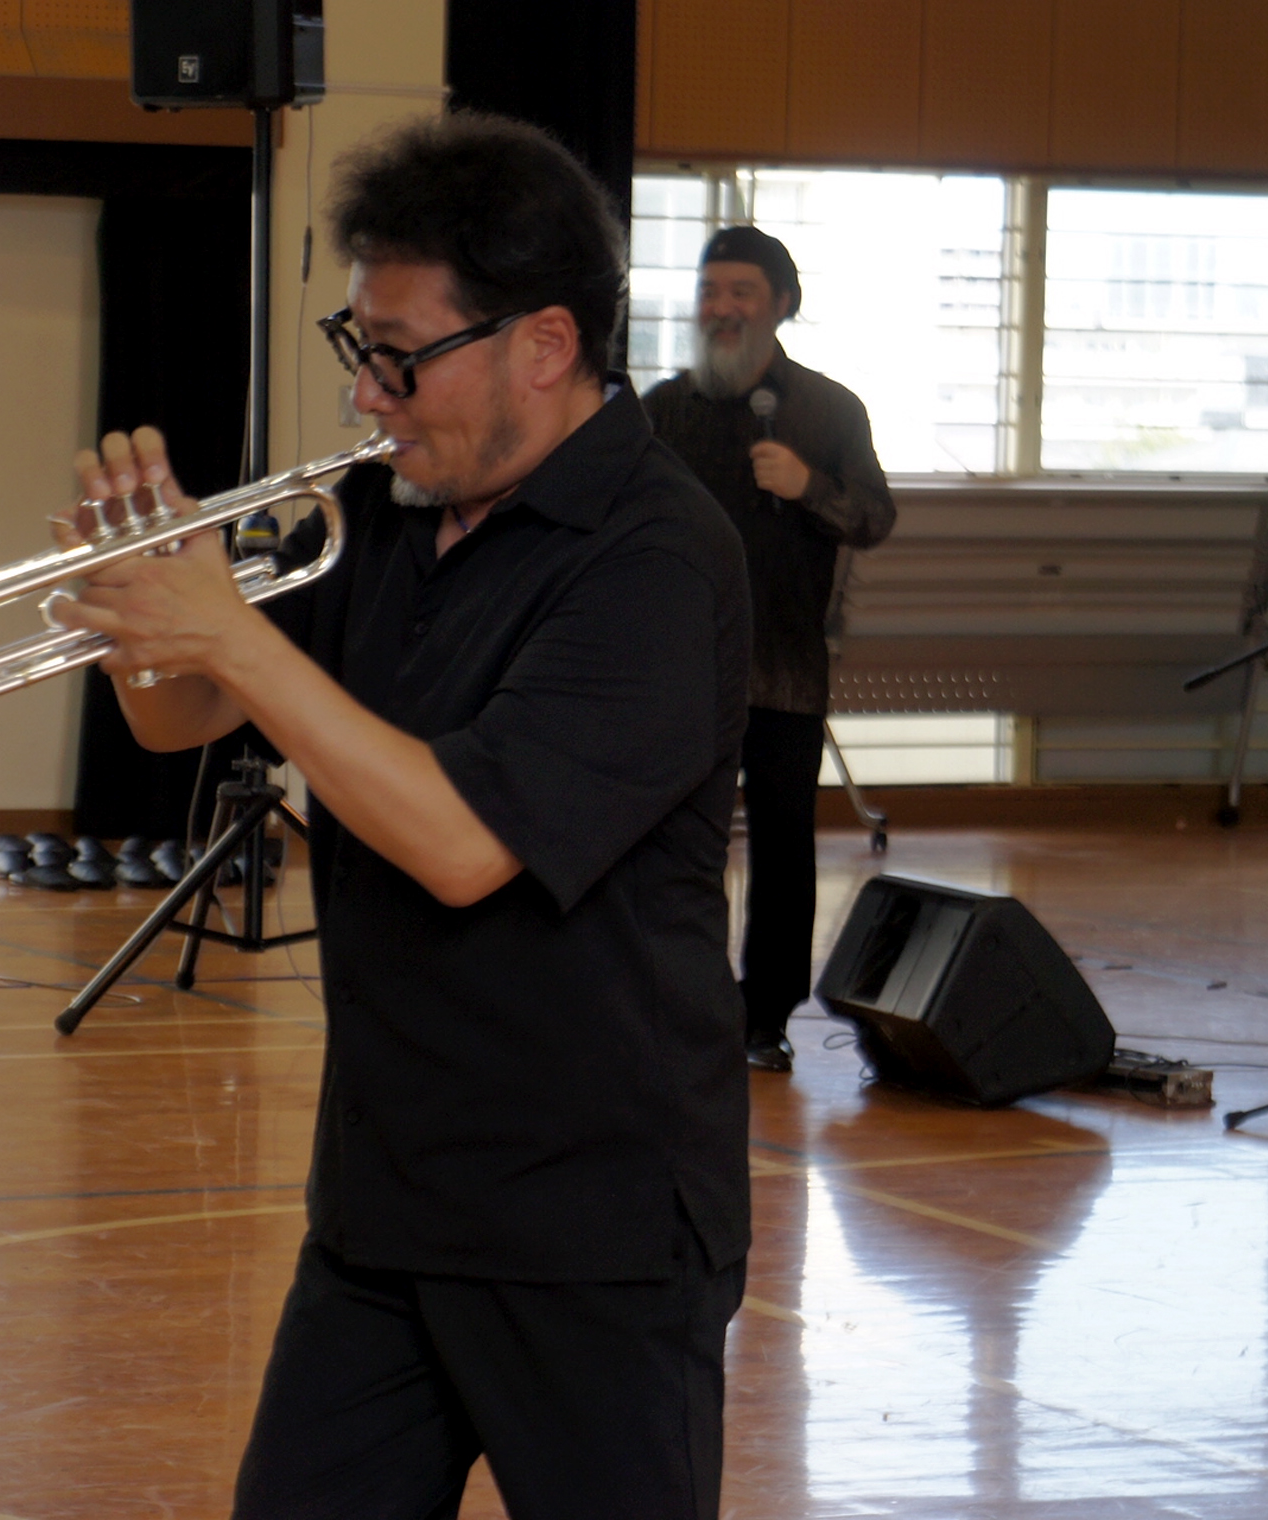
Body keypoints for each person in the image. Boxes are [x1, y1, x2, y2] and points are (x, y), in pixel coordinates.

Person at [52, 113, 752, 1520]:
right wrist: (151, 613)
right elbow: (181, 719)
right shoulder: (374, 516)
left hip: (592, 1228)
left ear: (542, 345)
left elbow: (460, 844)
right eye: (357, 346)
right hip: (385, 1202)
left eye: (399, 356)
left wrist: (228, 634)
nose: (368, 395)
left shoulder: (660, 559)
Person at [643, 226, 896, 1074]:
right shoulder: (664, 409)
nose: (720, 308)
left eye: (740, 292)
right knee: (679, 845)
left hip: (784, 669)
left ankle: (765, 1018)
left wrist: (808, 485)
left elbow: (875, 517)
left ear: (782, 304)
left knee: (785, 848)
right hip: (679, 669)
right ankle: (678, 1001)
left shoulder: (829, 409)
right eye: (709, 291)